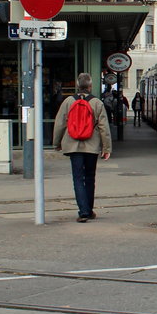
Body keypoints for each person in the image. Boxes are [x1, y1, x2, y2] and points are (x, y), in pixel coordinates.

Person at [51, 73, 112, 222]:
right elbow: (104, 127)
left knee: (78, 178)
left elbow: (60, 124)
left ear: (78, 86)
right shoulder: (97, 103)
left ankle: (83, 211)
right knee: (90, 177)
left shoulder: (68, 101)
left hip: (73, 145)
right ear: (90, 86)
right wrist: (106, 148)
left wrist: (57, 143)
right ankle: (89, 210)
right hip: (91, 146)